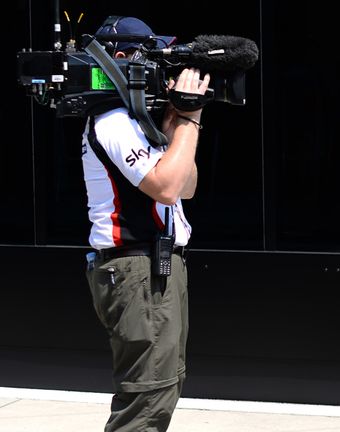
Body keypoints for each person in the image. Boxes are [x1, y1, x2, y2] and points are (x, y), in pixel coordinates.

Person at [82, 16, 210, 432]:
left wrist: (179, 127)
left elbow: (185, 185)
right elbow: (168, 188)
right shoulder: (113, 121)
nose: (157, 67)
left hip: (154, 268)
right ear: (120, 58)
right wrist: (189, 119)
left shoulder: (136, 119)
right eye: (148, 55)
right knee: (146, 397)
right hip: (136, 269)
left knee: (162, 386)